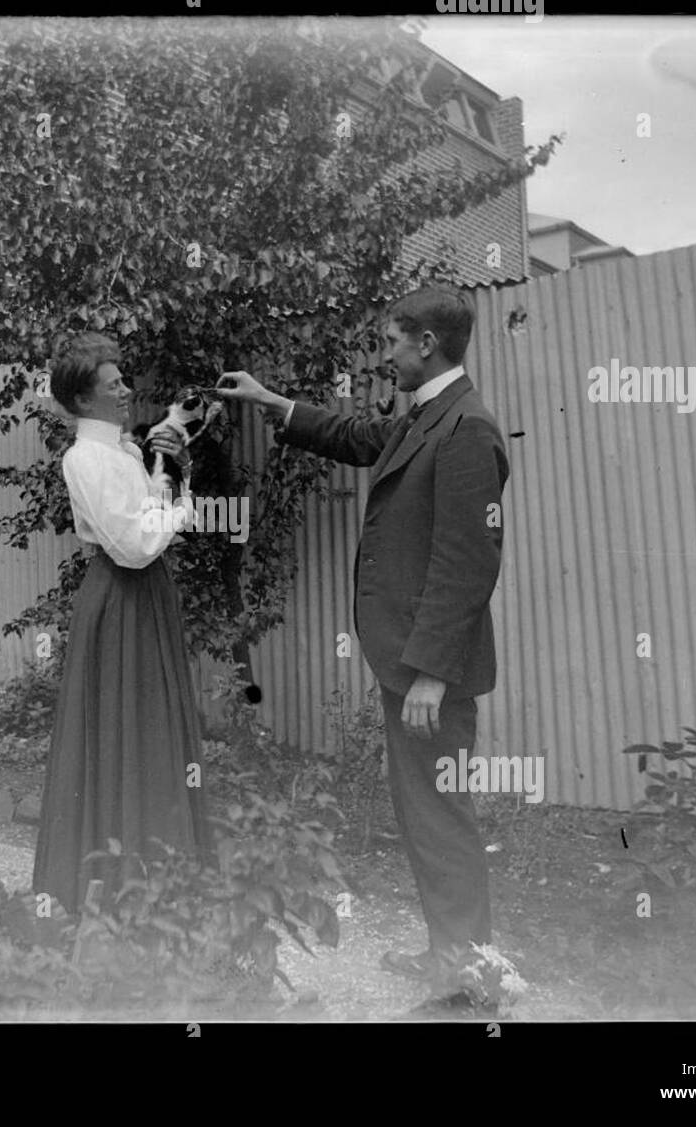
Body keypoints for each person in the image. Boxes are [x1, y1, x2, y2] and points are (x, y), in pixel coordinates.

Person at [216, 284, 509, 1015]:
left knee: (439, 813)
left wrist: (433, 676)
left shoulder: (467, 429)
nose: (384, 354)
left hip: (426, 670)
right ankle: (450, 952)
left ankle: (470, 980)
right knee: (422, 811)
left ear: (427, 345)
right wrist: (269, 399)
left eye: (391, 342)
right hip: (406, 660)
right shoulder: (426, 419)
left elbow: (468, 561)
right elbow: (351, 435)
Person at [32, 333, 210, 916]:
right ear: (84, 402)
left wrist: (169, 461)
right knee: (122, 730)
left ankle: (155, 879)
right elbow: (135, 544)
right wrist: (185, 510)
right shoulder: (84, 458)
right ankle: (113, 887)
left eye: (123, 380)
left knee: (150, 728)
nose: (127, 389)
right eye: (113, 386)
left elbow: (144, 511)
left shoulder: (124, 452)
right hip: (121, 597)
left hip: (146, 597)